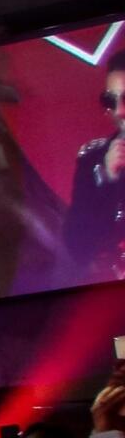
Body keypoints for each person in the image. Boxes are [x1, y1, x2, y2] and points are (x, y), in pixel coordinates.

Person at [61, 63, 125, 278]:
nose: (119, 111)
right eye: (111, 100)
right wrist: (106, 178)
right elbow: (77, 246)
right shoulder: (92, 158)